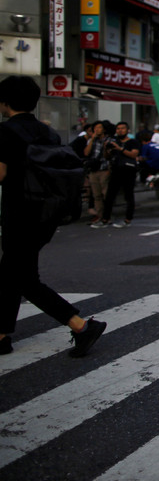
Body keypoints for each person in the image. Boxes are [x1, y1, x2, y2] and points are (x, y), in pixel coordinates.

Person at [0, 76, 107, 357]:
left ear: (5, 102)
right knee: (12, 272)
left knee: (22, 278)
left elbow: (0, 173)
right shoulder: (49, 134)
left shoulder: (5, 132)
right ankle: (1, 335)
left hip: (18, 213)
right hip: (46, 215)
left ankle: (81, 325)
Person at [96, 121, 140, 228]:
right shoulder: (114, 141)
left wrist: (120, 149)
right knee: (110, 196)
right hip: (115, 171)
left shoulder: (132, 142)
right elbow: (107, 157)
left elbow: (134, 154)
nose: (120, 131)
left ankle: (128, 219)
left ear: (127, 130)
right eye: (118, 129)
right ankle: (105, 219)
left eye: (123, 128)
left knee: (128, 195)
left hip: (129, 171)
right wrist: (107, 149)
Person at [83, 120, 111, 225]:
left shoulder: (108, 140)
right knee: (96, 195)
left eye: (99, 127)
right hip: (93, 170)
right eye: (95, 128)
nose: (97, 130)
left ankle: (107, 216)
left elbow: (108, 155)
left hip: (104, 169)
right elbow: (86, 152)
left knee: (105, 194)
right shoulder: (92, 140)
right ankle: (100, 216)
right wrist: (92, 140)